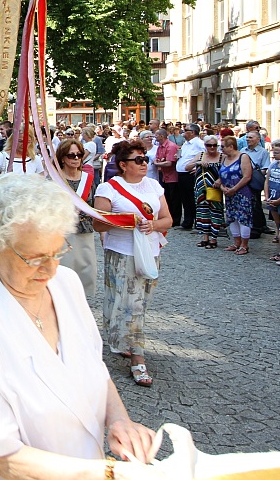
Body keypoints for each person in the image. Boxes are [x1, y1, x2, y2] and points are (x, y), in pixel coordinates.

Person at [0, 172, 159, 480]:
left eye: (57, 252)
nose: (49, 269)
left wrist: (119, 420)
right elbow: (0, 456)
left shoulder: (67, 284)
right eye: (32, 258)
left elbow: (93, 365)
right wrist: (107, 473)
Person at [92, 139, 172, 387]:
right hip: (122, 252)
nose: (144, 164)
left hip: (149, 252)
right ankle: (137, 357)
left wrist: (152, 225)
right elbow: (98, 223)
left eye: (145, 159)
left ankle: (126, 339)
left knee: (140, 303)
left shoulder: (154, 186)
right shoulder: (109, 189)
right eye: (138, 160)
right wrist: (125, 220)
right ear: (123, 165)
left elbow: (168, 219)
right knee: (126, 304)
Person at [55, 138, 97, 296]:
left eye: (79, 155)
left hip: (84, 231)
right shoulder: (54, 179)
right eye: (71, 155)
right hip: (62, 233)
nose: (76, 158)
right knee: (63, 271)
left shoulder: (88, 179)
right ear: (63, 158)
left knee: (86, 271)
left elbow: (93, 205)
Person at [217, 135, 254, 255]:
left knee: (243, 218)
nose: (220, 149)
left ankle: (244, 245)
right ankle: (236, 242)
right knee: (231, 218)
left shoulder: (243, 157)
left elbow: (247, 176)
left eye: (223, 146)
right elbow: (221, 176)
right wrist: (223, 188)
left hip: (242, 192)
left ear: (231, 146)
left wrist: (234, 189)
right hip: (228, 193)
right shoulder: (224, 158)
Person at [241, 130, 271, 237]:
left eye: (251, 138)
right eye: (247, 137)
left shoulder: (263, 152)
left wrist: (253, 175)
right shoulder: (243, 150)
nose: (248, 139)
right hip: (243, 181)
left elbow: (265, 168)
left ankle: (257, 227)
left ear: (258, 140)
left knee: (255, 204)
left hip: (253, 181)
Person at [174, 123, 204, 229]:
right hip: (182, 173)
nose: (183, 132)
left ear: (192, 132)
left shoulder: (199, 143)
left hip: (190, 174)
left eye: (185, 130)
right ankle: (187, 221)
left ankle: (197, 221)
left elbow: (206, 154)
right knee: (185, 199)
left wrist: (197, 167)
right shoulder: (186, 143)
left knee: (192, 198)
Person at [152, 129, 179, 226]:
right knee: (167, 198)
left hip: (172, 176)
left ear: (161, 136)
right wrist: (159, 162)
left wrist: (158, 163)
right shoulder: (160, 146)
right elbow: (158, 158)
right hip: (164, 175)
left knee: (174, 199)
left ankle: (175, 219)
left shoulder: (170, 146)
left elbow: (169, 163)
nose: (155, 137)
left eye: (156, 135)